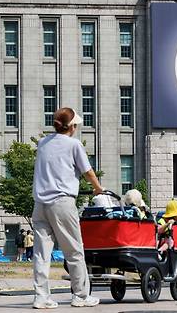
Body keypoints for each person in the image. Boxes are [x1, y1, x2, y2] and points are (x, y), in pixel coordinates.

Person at [31, 107, 105, 309]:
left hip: (40, 204)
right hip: (62, 203)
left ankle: (41, 297)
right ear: (72, 127)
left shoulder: (42, 143)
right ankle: (80, 296)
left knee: (41, 253)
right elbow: (88, 172)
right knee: (74, 251)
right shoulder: (74, 145)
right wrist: (98, 189)